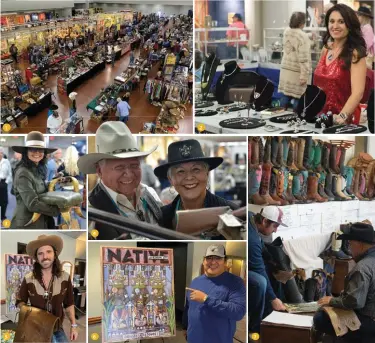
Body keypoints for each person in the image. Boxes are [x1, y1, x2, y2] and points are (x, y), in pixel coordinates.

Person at [77, 121, 163, 239]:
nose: (128, 174)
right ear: (99, 171)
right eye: (119, 167)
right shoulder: (91, 211)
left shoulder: (150, 193)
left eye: (134, 165)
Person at [154, 139, 239, 231]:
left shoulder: (231, 212)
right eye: (180, 171)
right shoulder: (162, 217)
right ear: (171, 179)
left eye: (196, 169)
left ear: (207, 173)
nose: (189, 177)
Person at [313, 222, 375, 341]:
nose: (350, 249)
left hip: (369, 322)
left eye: (351, 244)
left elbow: (354, 302)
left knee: (320, 318)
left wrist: (332, 300)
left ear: (359, 245)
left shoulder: (362, 268)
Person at [16, 234, 78, 342]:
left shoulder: (65, 278)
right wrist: (31, 312)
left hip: (57, 329)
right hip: (36, 329)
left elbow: (69, 304)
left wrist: (73, 325)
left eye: (48, 252)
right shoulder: (28, 278)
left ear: (55, 254)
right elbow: (19, 301)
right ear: (37, 257)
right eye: (40, 253)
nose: (45, 256)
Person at [313, 4, 367, 125]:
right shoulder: (326, 49)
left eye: (341, 22)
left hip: (342, 120)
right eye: (332, 21)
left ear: (349, 25)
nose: (335, 26)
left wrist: (342, 116)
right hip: (320, 117)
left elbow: (358, 93)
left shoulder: (355, 53)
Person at [183, 244, 246, 343]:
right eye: (209, 258)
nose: (212, 262)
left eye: (218, 258)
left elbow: (238, 312)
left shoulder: (235, 282)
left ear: (225, 262)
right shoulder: (195, 281)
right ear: (204, 261)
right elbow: (188, 307)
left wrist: (206, 299)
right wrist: (185, 327)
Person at [248, 207, 287, 339]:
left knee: (273, 271)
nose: (275, 230)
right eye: (275, 226)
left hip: (246, 256)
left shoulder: (251, 216)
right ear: (264, 221)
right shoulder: (251, 240)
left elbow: (261, 245)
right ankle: (254, 328)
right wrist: (273, 299)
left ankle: (271, 319)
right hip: (234, 265)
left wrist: (272, 260)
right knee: (260, 281)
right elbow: (259, 269)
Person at [10, 132, 60, 229]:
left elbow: (38, 186)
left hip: (42, 219)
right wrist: (59, 209)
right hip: (28, 223)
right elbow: (32, 204)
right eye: (33, 149)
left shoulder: (37, 169)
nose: (37, 153)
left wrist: (54, 182)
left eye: (40, 150)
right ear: (26, 152)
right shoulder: (23, 173)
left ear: (44, 153)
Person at [278, 12, 312, 110]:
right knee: (298, 97)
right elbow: (304, 58)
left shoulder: (286, 31)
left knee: (285, 96)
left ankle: (280, 116)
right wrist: (304, 75)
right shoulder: (302, 36)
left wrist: (308, 35)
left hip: (285, 70)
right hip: (297, 72)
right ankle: (295, 120)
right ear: (302, 22)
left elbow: (293, 40)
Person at [0, 147, 12, 220]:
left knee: (4, 201)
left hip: (3, 182)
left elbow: (9, 173)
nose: (0, 154)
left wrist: (6, 182)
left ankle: (2, 216)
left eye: (1, 152)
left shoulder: (6, 161)